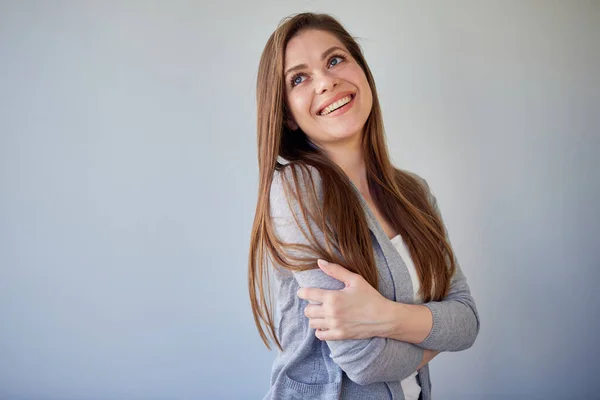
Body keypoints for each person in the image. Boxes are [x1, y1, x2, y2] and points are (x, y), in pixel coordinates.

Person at [248, 12, 480, 400]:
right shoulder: (296, 191)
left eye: (335, 60)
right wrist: (433, 330)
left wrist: (385, 317)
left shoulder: (414, 192)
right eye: (299, 78)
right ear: (286, 113)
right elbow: (366, 361)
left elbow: (468, 321)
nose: (326, 81)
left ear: (362, 71)